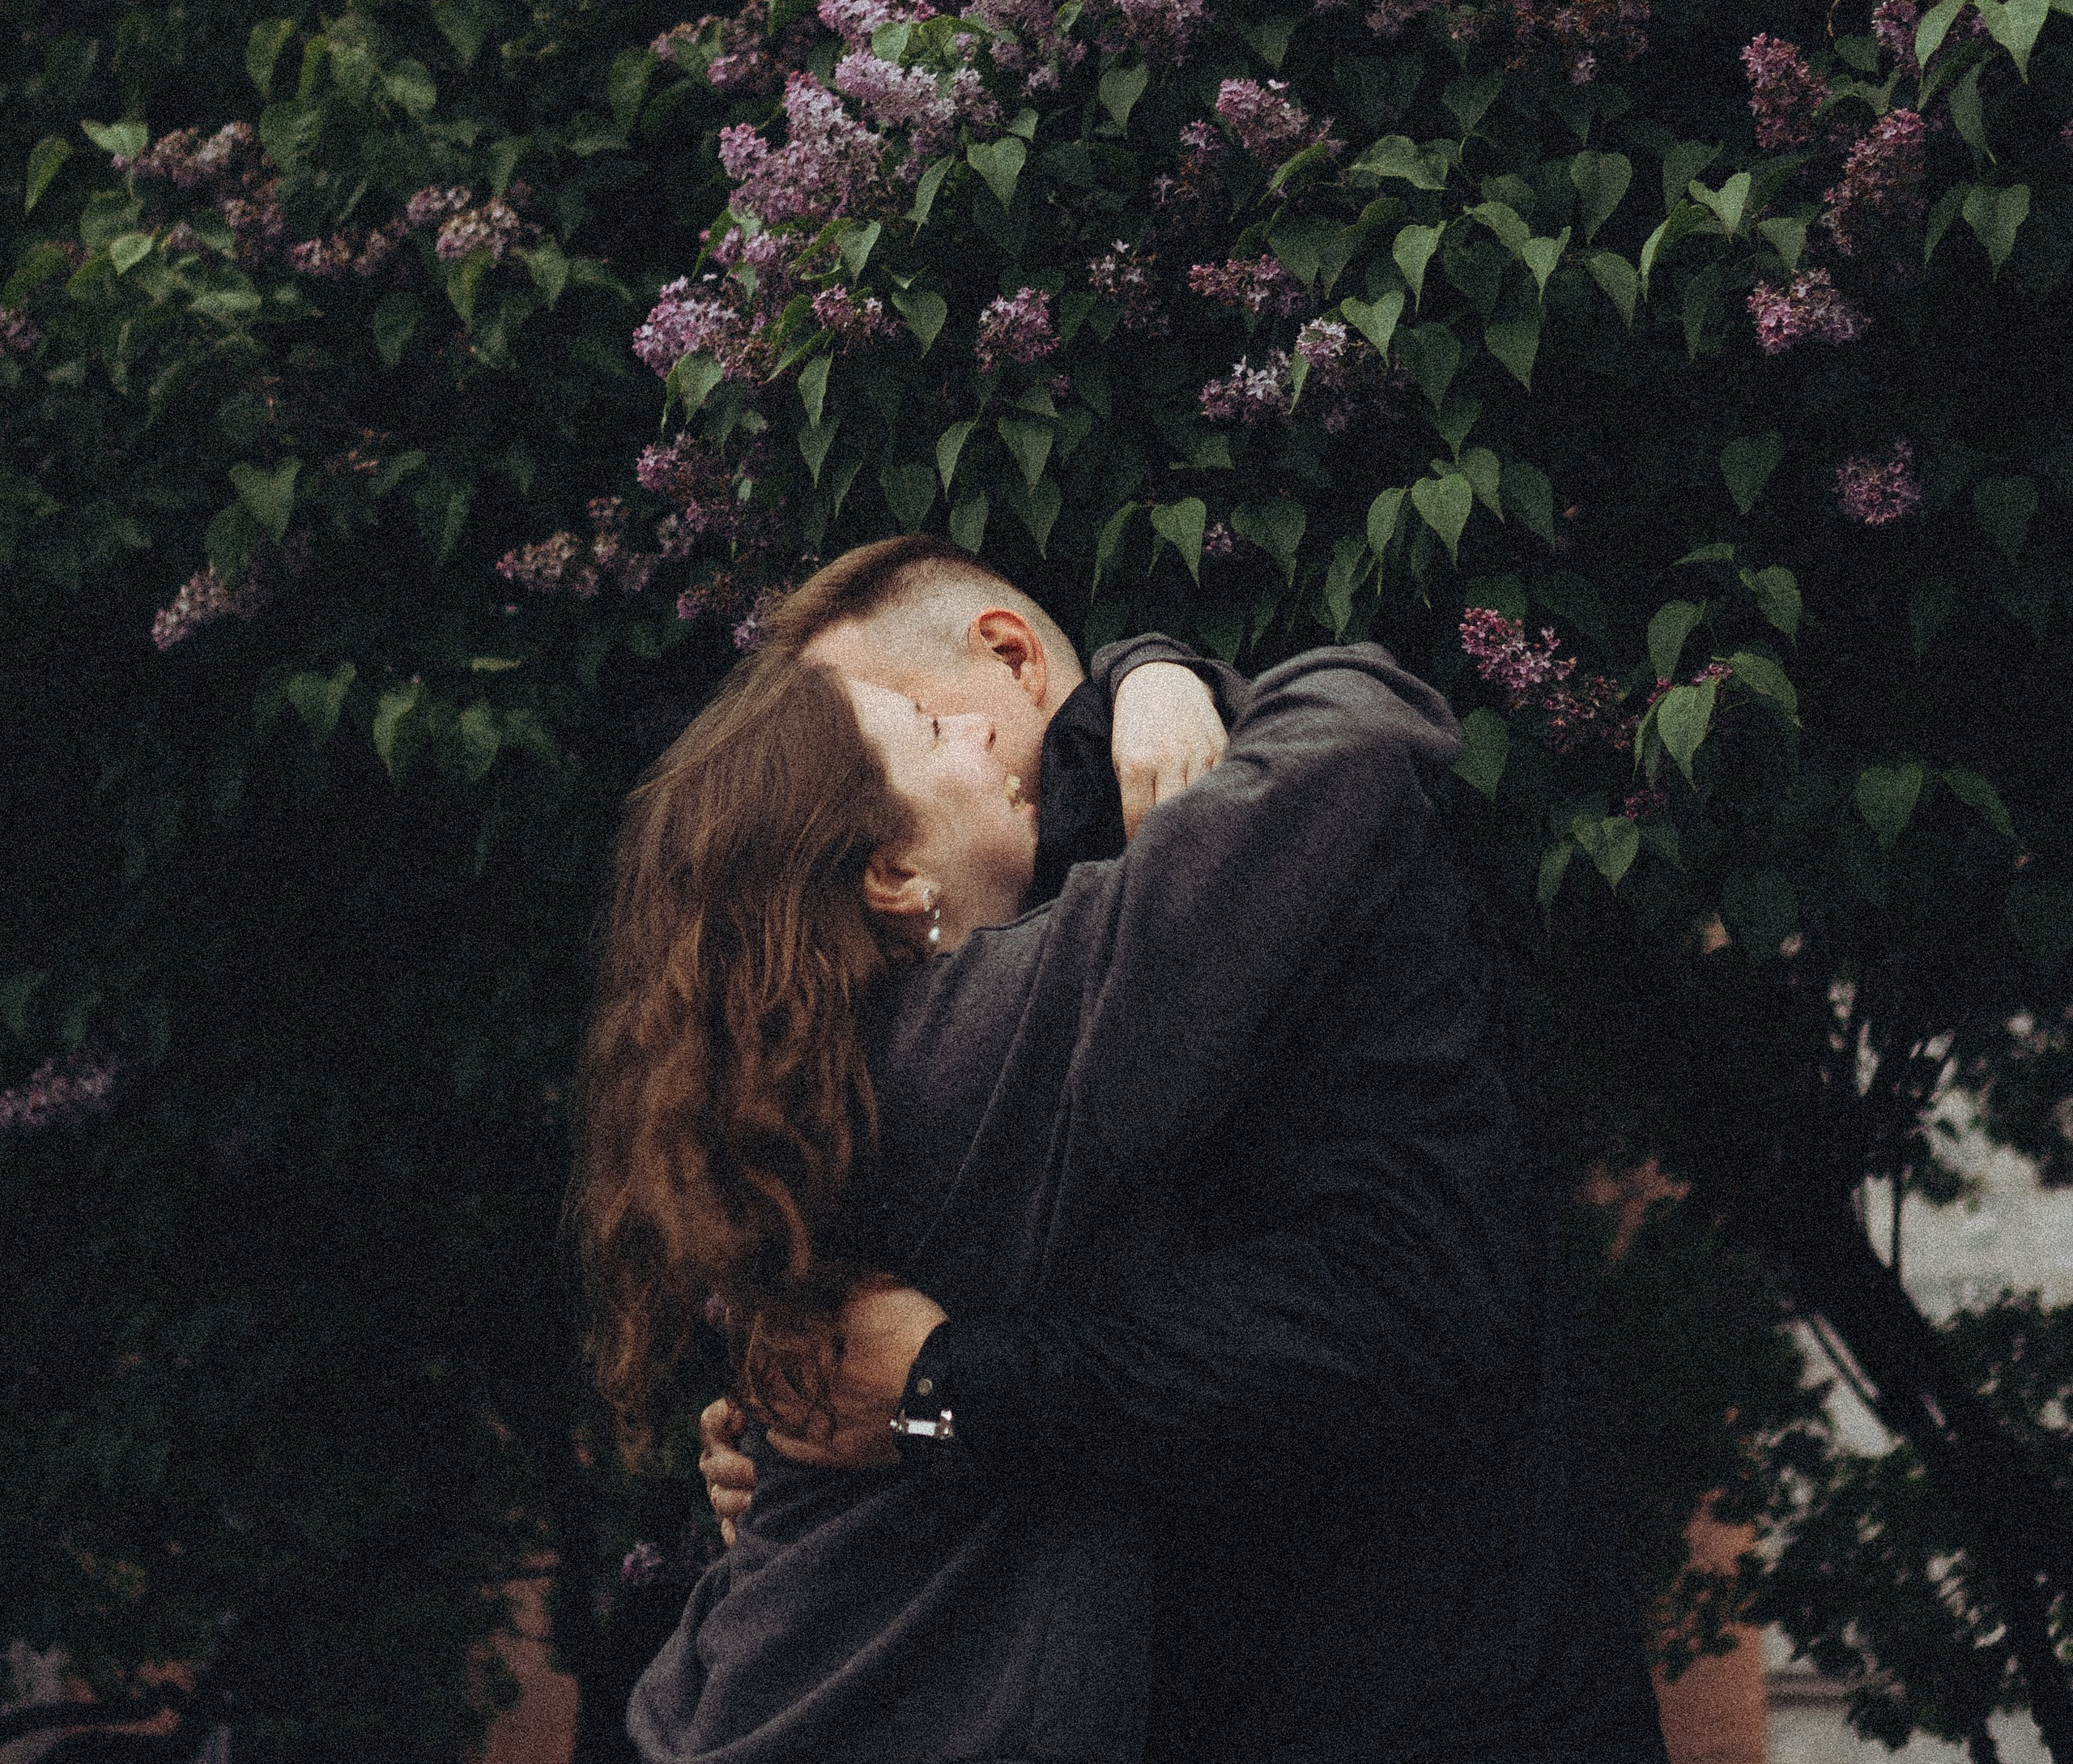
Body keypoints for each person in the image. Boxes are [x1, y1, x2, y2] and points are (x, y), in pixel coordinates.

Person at [697, 539, 1670, 1764]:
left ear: (1006, 655)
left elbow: (1419, 1302)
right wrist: (800, 1442)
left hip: (1403, 1692)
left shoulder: (1274, 853)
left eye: (902, 728)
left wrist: (952, 1389)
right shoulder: (962, 984)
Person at [573, 590, 1458, 1764]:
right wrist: (1151, 679)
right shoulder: (973, 1045)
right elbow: (1366, 730)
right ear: (889, 871)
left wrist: (1141, 661)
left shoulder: (826, 1085)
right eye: (932, 737)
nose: (983, 736)